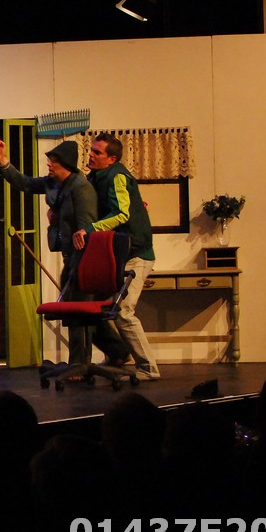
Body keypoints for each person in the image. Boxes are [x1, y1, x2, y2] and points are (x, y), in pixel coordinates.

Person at [0, 133, 128, 368]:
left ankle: (78, 365)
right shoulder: (54, 183)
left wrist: (79, 268)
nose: (49, 164)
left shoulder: (81, 188)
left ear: (65, 165)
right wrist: (3, 161)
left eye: (53, 161)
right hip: (69, 256)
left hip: (82, 259)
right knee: (80, 311)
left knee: (76, 314)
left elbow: (87, 230)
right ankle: (118, 351)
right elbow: (25, 183)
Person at [72, 132, 161, 380]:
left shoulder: (117, 175)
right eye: (91, 150)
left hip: (137, 254)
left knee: (123, 311)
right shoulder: (95, 177)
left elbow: (122, 213)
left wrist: (90, 229)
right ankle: (116, 354)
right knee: (92, 307)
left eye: (97, 152)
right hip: (117, 255)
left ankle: (148, 368)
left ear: (111, 158)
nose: (90, 154)